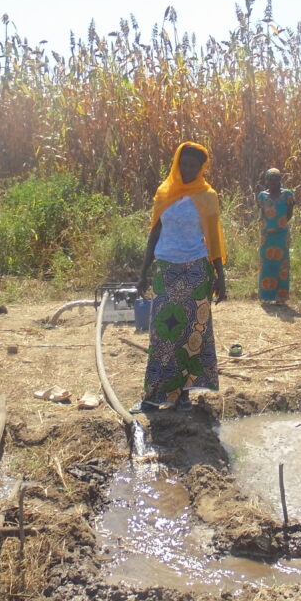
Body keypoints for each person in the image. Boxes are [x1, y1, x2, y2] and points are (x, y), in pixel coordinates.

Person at [134, 142, 227, 412]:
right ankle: (154, 394)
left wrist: (220, 276)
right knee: (162, 334)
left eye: (193, 165)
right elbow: (154, 233)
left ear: (201, 168)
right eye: (183, 163)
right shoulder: (165, 193)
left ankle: (183, 395)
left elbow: (214, 239)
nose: (187, 169)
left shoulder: (207, 196)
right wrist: (143, 273)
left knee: (192, 333)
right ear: (177, 163)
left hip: (197, 269)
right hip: (167, 268)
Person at [256, 168, 295, 303]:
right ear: (266, 181)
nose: (274, 182)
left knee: (282, 265)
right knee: (267, 265)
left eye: (276, 179)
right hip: (267, 236)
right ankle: (266, 297)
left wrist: (280, 225)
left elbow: (289, 214)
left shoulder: (287, 195)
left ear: (280, 180)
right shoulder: (262, 196)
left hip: (281, 236)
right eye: (270, 179)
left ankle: (281, 297)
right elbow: (262, 214)